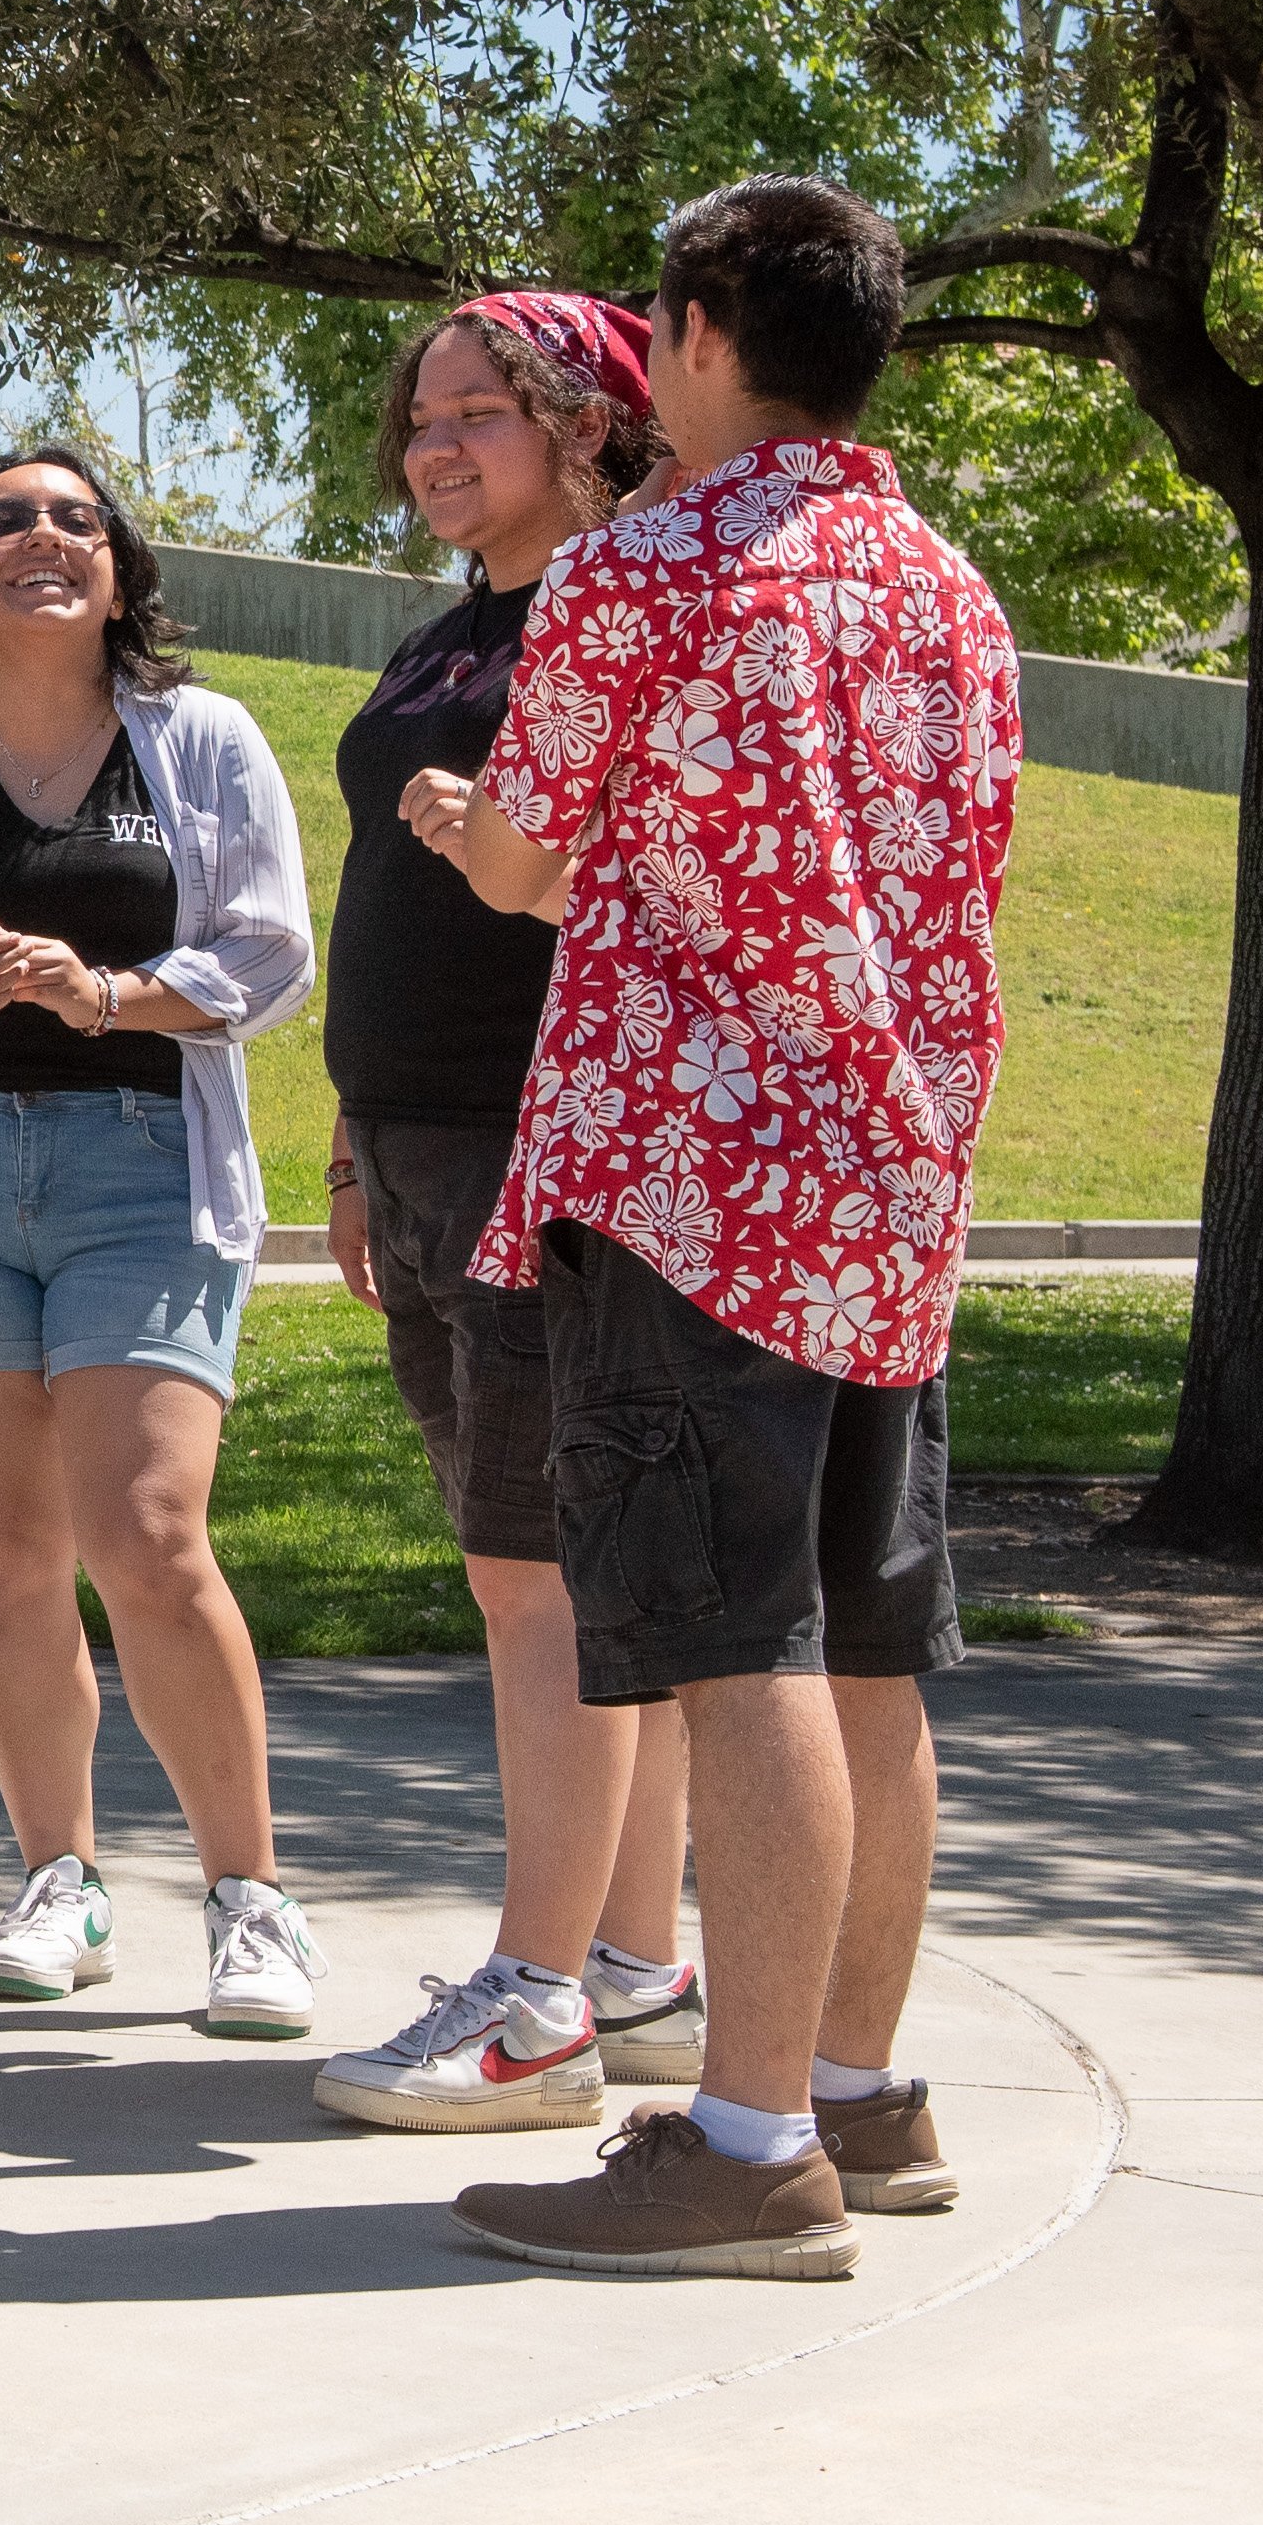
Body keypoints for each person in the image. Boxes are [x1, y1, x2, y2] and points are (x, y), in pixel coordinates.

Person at [415, 177, 1022, 2282]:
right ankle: (859, 2089)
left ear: (686, 332)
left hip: (690, 1171)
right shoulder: (944, 586)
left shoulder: (641, 568)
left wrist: (468, 830)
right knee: (864, 1646)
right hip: (885, 1175)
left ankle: (747, 2143)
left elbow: (522, 857)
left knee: (727, 1645)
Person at [0, 443, 328, 2038]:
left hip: (140, 1165)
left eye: (75, 521)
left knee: (149, 1536)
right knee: (6, 1557)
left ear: (120, 567)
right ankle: (61, 1880)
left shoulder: (206, 739)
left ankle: (254, 1904)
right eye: (6, 520)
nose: (42, 540)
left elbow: (270, 952)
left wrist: (106, 995)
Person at [307, 294, 708, 2132]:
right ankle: (635, 1971)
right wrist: (344, 1134)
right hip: (418, 1143)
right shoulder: (454, 632)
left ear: (588, 420)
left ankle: (540, 2002)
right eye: (423, 421)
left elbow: (656, 878)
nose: (437, 447)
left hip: (546, 1149)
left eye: (481, 414)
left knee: (541, 1582)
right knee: (538, 1573)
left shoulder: (625, 616)